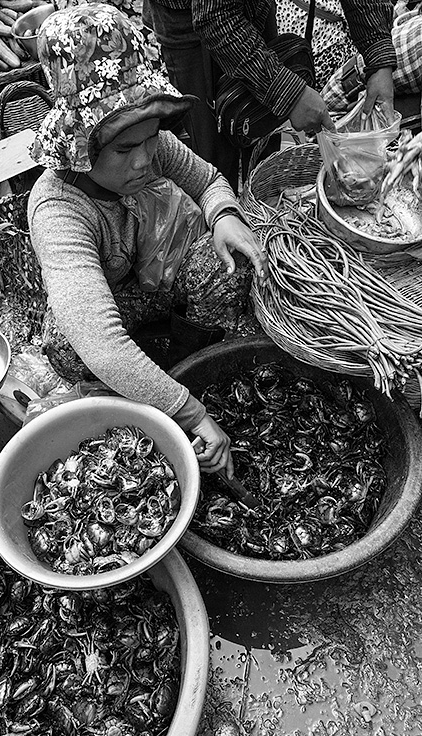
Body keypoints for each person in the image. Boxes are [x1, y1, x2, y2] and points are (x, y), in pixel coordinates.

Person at [28, 2, 267, 479]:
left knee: (228, 267)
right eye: (123, 148)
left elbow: (209, 180)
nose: (143, 160)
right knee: (72, 349)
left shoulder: (150, 145)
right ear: (82, 145)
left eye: (151, 138)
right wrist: (192, 414)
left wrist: (223, 213)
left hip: (158, 274)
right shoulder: (57, 208)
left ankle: (188, 355)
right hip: (114, 301)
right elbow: (100, 341)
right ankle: (151, 383)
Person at [142, 0, 397, 191]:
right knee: (213, 159)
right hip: (191, 20)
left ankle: (260, 205)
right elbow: (215, 18)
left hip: (252, 6)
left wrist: (378, 55)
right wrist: (291, 94)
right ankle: (223, 224)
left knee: (262, 133)